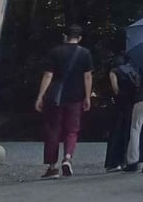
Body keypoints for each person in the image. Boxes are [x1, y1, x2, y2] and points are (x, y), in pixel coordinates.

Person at [34, 23, 93, 179]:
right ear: (80, 38)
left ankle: (52, 167)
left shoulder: (55, 52)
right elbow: (87, 76)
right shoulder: (85, 53)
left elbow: (48, 75)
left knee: (53, 129)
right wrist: (87, 97)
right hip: (76, 96)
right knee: (72, 130)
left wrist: (40, 96)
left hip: (55, 96)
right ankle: (67, 158)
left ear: (64, 36)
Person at [104, 54, 140, 171]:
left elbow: (115, 88)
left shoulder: (114, 71)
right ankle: (127, 159)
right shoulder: (132, 70)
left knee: (116, 130)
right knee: (128, 130)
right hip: (132, 102)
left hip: (120, 103)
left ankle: (114, 162)